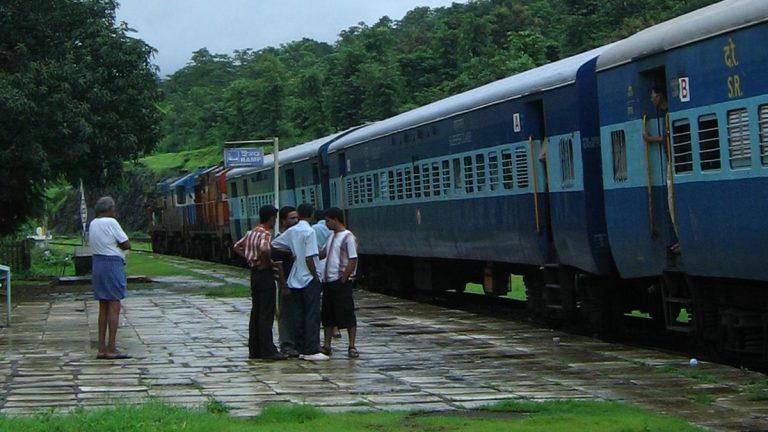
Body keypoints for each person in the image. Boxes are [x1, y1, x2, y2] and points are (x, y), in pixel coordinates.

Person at [271, 203, 329, 361]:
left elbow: (274, 245)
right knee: (312, 313)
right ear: (311, 215)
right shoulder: (309, 231)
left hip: (295, 279)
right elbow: (310, 258)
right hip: (309, 277)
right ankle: (311, 348)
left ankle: (300, 345)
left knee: (298, 314)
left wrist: (293, 252)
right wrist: (315, 276)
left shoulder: (291, 231)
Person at [233, 205, 286, 361]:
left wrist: (249, 258)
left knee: (256, 312)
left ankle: (254, 349)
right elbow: (264, 249)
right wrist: (268, 261)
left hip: (254, 274)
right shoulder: (265, 233)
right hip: (264, 274)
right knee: (266, 314)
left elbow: (236, 246)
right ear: (271, 218)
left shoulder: (251, 232)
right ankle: (268, 350)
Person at [89, 196, 132, 360]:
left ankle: (101, 348)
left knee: (103, 307)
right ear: (109, 209)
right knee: (115, 305)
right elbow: (126, 243)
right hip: (112, 264)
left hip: (97, 264)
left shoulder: (93, 223)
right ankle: (112, 348)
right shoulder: (111, 222)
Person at [319, 207, 360, 358]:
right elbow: (323, 253)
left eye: (328, 221)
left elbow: (352, 259)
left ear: (336, 220)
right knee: (328, 314)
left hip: (340, 281)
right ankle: (327, 345)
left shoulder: (347, 237)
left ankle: (352, 345)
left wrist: (344, 278)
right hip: (328, 281)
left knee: (347, 312)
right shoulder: (331, 237)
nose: (326, 224)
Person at [273, 205, 300, 357]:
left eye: (297, 218)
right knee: (285, 313)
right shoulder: (280, 240)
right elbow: (278, 264)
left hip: (299, 281)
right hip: (287, 281)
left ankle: (298, 342)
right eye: (292, 218)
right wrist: (283, 285)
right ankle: (287, 344)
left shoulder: (299, 235)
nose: (296, 221)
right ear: (283, 221)